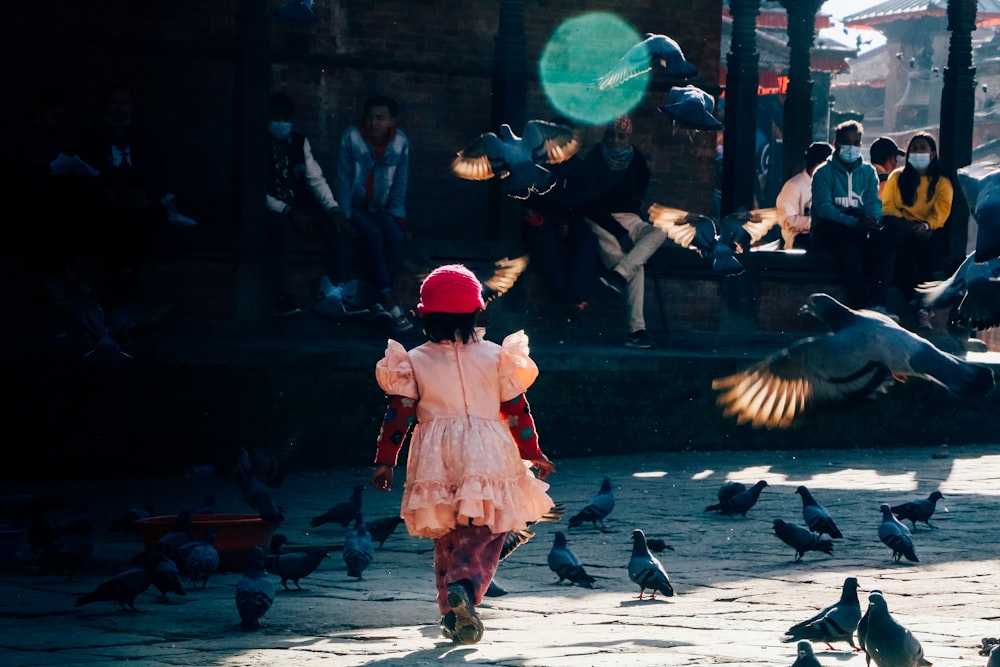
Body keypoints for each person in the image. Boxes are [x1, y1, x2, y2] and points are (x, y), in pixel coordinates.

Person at [370, 264, 555, 645]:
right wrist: (532, 452)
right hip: (489, 452)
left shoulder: (413, 360)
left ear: (424, 316)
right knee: (490, 529)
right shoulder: (496, 357)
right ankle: (464, 588)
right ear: (477, 313)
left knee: (448, 536)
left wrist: (385, 460)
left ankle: (451, 615)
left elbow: (398, 414)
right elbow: (517, 411)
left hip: (435, 457)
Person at [580, 115, 669, 349]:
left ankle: (618, 275)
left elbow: (639, 193)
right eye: (611, 135)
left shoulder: (635, 158)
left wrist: (631, 227)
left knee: (660, 232)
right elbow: (590, 205)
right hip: (602, 222)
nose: (616, 140)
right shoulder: (595, 159)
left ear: (629, 137)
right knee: (635, 269)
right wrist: (620, 233)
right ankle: (636, 330)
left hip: (632, 220)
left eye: (621, 136)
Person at [264, 92, 355, 318]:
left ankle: (340, 291)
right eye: (276, 118)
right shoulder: (256, 143)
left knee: (338, 226)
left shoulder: (298, 142)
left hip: (298, 206)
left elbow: (316, 179)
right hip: (271, 209)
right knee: (279, 232)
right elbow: (257, 191)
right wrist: (289, 211)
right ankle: (280, 295)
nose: (281, 123)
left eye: (286, 118)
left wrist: (333, 210)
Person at [334, 95, 412, 334]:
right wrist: (343, 214)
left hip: (381, 209)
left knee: (395, 236)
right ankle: (386, 296)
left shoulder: (400, 142)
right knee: (374, 235)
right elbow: (342, 179)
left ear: (391, 121)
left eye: (380, 118)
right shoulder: (352, 137)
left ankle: (381, 302)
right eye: (370, 117)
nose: (373, 123)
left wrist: (398, 218)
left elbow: (400, 183)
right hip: (355, 209)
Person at [810, 120, 906, 316]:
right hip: (832, 228)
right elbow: (824, 209)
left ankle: (878, 304)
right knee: (848, 246)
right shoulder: (823, 173)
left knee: (891, 234)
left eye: (856, 142)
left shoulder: (868, 172)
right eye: (847, 142)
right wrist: (855, 223)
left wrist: (873, 220)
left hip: (860, 226)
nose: (852, 147)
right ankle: (861, 307)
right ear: (836, 144)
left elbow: (873, 203)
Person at [520, 117, 599, 323]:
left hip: (569, 219)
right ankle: (564, 299)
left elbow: (583, 201)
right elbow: (527, 199)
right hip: (541, 218)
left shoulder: (577, 167)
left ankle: (573, 296)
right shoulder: (535, 162)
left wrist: (569, 223)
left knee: (588, 242)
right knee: (545, 242)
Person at [881, 131, 954, 331]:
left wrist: (926, 225)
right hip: (902, 229)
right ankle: (919, 307)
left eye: (923, 148)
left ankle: (924, 308)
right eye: (914, 148)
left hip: (929, 230)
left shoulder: (941, 182)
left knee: (931, 253)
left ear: (932, 154)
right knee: (903, 255)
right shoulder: (897, 177)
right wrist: (904, 224)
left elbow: (941, 211)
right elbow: (888, 206)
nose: (918, 152)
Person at [775, 141, 833, 250]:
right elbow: (787, 220)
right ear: (818, 165)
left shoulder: (829, 184)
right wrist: (817, 222)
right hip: (799, 239)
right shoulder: (794, 186)